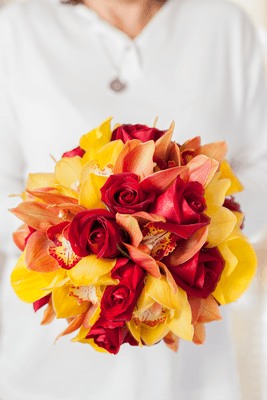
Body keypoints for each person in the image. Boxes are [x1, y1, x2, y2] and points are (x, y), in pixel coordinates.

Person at [0, 0, 267, 399]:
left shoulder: (223, 23)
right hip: (45, 371)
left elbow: (260, 169)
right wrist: (89, 250)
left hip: (189, 375)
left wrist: (185, 233)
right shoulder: (19, 27)